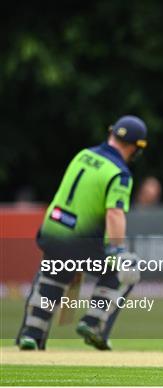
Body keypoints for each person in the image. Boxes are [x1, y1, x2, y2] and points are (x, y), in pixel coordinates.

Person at [16, 115, 148, 351]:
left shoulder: (83, 155)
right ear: (135, 147)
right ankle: (93, 322)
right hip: (83, 241)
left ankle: (31, 333)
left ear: (111, 133)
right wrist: (117, 250)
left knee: (52, 278)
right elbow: (114, 214)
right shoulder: (120, 173)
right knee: (128, 267)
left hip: (53, 231)